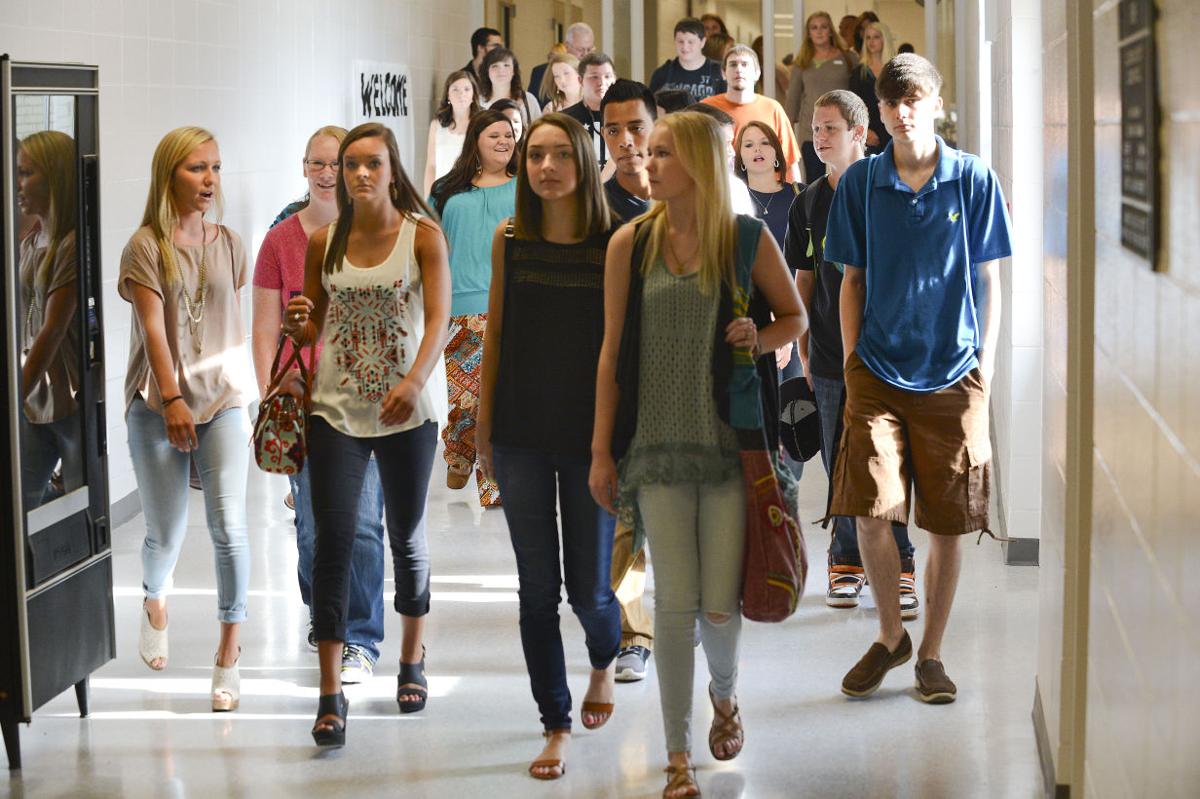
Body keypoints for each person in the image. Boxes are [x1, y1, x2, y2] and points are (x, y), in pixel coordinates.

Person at [589, 111, 806, 798]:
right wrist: (601, 449)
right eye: (645, 152)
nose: (645, 164)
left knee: (719, 603)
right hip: (654, 447)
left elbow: (795, 317)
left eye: (661, 154)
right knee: (674, 601)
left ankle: (726, 692)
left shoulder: (745, 238)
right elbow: (611, 352)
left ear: (700, 164)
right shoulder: (630, 242)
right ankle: (678, 751)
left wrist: (759, 334)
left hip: (730, 448)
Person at [824, 55, 1012, 704]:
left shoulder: (973, 179)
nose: (904, 113)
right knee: (872, 511)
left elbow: (989, 277)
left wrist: (982, 366)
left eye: (916, 100)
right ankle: (888, 634)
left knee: (948, 522)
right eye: (891, 103)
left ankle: (930, 650)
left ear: (935, 103)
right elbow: (851, 279)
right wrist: (851, 364)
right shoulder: (860, 184)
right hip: (875, 367)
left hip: (953, 372)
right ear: (877, 113)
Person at [283, 122, 450, 746]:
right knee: (334, 542)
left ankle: (411, 658)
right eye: (350, 164)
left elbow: (440, 318)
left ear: (391, 168)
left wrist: (414, 379)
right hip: (335, 409)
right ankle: (330, 694)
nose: (358, 175)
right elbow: (311, 330)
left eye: (371, 164)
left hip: (406, 412)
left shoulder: (422, 237)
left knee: (405, 538)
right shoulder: (324, 241)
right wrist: (299, 322)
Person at [476, 112, 621, 781]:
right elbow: (497, 334)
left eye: (562, 154)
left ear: (584, 164)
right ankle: (554, 720)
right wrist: (482, 430)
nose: (546, 166)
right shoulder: (512, 238)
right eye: (536, 154)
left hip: (590, 437)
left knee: (590, 591)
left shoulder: (614, 239)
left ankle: (604, 657)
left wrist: (612, 443)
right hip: (521, 433)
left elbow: (621, 350)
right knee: (537, 590)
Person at [120, 126, 253, 712]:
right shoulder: (145, 246)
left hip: (223, 401)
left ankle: (229, 651)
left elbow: (230, 320)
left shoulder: (230, 243)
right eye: (197, 168)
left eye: (216, 168)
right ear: (169, 173)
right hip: (157, 404)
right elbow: (155, 332)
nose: (209, 180)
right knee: (166, 533)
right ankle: (154, 598)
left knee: (229, 528)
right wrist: (173, 402)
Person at [252, 125, 388, 683]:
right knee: (311, 531)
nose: (329, 173)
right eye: (319, 163)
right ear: (304, 167)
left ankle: (358, 638)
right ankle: (323, 613)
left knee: (360, 526)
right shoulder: (281, 241)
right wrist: (272, 397)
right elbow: (263, 328)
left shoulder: (379, 233)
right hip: (303, 403)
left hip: (364, 403)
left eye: (340, 162)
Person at [784, 90, 918, 615]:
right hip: (826, 356)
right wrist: (803, 351)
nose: (819, 138)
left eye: (830, 128)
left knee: (887, 459)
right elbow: (803, 278)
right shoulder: (808, 202)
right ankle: (845, 561)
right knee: (840, 460)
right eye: (815, 128)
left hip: (884, 353)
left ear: (860, 134)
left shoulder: (886, 193)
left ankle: (901, 563)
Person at [429, 110, 518, 507]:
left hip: (512, 306)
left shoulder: (525, 189)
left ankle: (491, 483)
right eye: (494, 134)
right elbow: (427, 247)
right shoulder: (446, 191)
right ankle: (459, 447)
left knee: (498, 398)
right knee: (467, 398)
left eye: (509, 134)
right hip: (461, 307)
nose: (504, 140)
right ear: (476, 141)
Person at [733, 121, 805, 478]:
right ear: (740, 157)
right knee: (758, 416)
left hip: (795, 315)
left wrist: (787, 333)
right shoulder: (732, 198)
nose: (757, 149)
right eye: (748, 145)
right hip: (750, 319)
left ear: (777, 151)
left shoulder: (799, 195)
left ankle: (787, 495)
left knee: (795, 421)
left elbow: (808, 265)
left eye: (764, 142)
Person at [16, 130, 83, 512]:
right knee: (22, 501)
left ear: (54, 177)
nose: (19, 184)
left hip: (68, 397)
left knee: (76, 505)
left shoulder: (71, 245)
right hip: (34, 397)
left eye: (28, 174)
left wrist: (14, 395)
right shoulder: (31, 242)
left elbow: (53, 329)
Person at [702, 45, 803, 183]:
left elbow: (790, 161)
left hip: (767, 194)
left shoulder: (773, 108)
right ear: (723, 73)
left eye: (745, 64)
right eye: (733, 64)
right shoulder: (706, 108)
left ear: (757, 73)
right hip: (720, 189)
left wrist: (796, 199)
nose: (739, 69)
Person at [785, 11, 855, 182]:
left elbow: (859, 94)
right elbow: (792, 100)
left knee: (843, 179)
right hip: (811, 132)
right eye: (814, 28)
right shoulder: (802, 62)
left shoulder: (848, 57)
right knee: (815, 181)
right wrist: (785, 134)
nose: (819, 31)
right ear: (808, 33)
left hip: (842, 129)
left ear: (831, 30)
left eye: (823, 27)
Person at [687, 102, 759, 217]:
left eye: (730, 143)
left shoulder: (736, 188)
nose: (732, 152)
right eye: (725, 144)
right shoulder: (674, 188)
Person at [601, 79, 654, 225]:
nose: (625, 141)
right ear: (603, 135)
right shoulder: (594, 208)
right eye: (613, 131)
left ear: (656, 128)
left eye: (636, 128)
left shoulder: (679, 198)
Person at [423, 71, 482, 197]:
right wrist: (428, 199)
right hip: (441, 193)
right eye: (455, 89)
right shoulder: (436, 125)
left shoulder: (481, 125)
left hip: (470, 194)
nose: (461, 94)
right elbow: (431, 166)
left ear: (473, 95)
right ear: (448, 95)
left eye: (467, 89)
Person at [563, 52, 618, 175]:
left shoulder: (627, 117)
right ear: (580, 80)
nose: (602, 82)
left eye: (607, 76)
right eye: (594, 77)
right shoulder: (565, 120)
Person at [648, 18, 726, 102]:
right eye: (680, 41)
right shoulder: (662, 74)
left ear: (703, 42)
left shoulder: (719, 72)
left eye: (690, 42)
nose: (685, 47)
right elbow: (651, 109)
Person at [850, 20, 896, 155]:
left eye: (876, 37)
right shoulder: (859, 72)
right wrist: (865, 130)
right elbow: (853, 105)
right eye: (868, 37)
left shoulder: (895, 69)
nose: (871, 41)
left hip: (893, 130)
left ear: (884, 39)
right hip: (869, 134)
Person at [529, 22, 595, 106]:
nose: (585, 54)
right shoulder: (542, 72)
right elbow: (534, 108)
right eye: (580, 49)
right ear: (567, 46)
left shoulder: (598, 74)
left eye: (589, 50)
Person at [479, 47, 542, 126]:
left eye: (506, 65)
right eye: (495, 66)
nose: (501, 70)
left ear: (513, 71)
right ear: (487, 71)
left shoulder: (529, 100)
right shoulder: (479, 102)